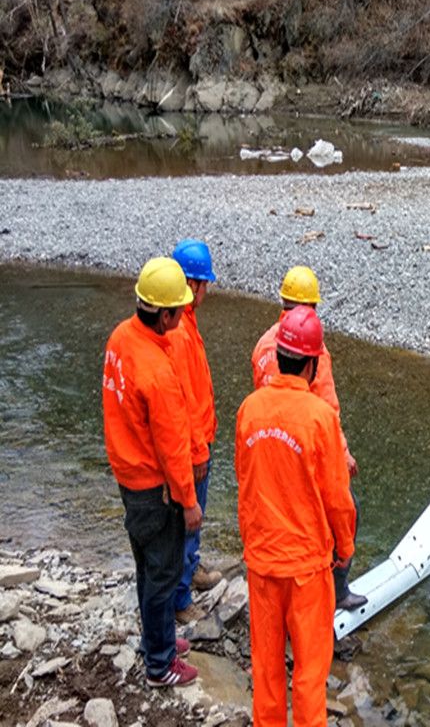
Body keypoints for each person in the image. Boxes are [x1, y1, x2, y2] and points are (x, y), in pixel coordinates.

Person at [235, 306, 358, 727]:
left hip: (263, 562)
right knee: (309, 670)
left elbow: (245, 481)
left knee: (266, 666)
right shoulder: (320, 418)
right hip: (306, 567)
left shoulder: (249, 410)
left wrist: (251, 541)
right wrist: (345, 546)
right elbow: (337, 497)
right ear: (312, 363)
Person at [102, 257, 202, 687]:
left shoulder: (120, 338)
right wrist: (190, 501)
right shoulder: (158, 372)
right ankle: (160, 664)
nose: (182, 317)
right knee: (163, 573)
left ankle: (154, 639)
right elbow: (173, 447)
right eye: (178, 310)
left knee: (146, 566)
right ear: (164, 315)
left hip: (128, 476)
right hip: (155, 488)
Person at [251, 265, 366, 610]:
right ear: (311, 306)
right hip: (307, 450)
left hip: (270, 452)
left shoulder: (264, 345)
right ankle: (336, 590)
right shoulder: (314, 350)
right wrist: (343, 455)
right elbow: (326, 410)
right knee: (343, 512)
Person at [168, 239, 223, 625]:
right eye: (205, 283)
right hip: (193, 446)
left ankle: (191, 566)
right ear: (193, 283)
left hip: (197, 438)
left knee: (191, 520)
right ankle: (181, 597)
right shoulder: (180, 331)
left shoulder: (183, 320)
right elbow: (183, 399)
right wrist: (198, 450)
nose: (207, 291)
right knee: (189, 516)